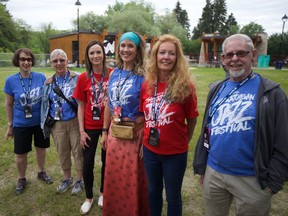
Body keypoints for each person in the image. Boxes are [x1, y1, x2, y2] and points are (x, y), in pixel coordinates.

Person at [193, 34, 288, 216]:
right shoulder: (216, 89)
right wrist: (204, 166)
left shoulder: (272, 93)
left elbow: (283, 142)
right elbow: (208, 128)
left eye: (241, 53)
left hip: (252, 179)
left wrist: (272, 183)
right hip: (214, 174)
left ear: (252, 55)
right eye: (229, 54)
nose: (235, 58)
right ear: (223, 59)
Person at [140, 34, 199, 216]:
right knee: (153, 192)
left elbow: (192, 119)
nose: (166, 57)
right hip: (150, 150)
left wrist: (183, 142)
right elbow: (145, 115)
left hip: (175, 154)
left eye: (171, 53)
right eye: (162, 52)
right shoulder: (147, 84)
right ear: (155, 56)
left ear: (177, 58)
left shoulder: (186, 86)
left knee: (173, 196)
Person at [100, 31, 149, 216]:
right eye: (123, 45)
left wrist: (145, 136)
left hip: (135, 135)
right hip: (115, 134)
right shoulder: (114, 74)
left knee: (132, 178)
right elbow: (108, 104)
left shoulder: (144, 76)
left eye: (130, 46)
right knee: (115, 178)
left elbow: (150, 110)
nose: (125, 50)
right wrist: (105, 132)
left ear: (137, 50)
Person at [3, 48, 53, 194]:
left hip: (39, 122)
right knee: (20, 153)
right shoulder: (10, 81)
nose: (26, 62)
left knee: (41, 148)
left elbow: (48, 92)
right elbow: (8, 104)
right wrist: (10, 125)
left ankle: (41, 171)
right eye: (23, 59)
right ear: (17, 62)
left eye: (29, 59)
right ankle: (22, 178)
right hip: (21, 123)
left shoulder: (40, 77)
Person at [73, 41, 112, 214]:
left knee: (107, 162)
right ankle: (89, 197)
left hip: (109, 127)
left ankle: (103, 192)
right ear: (88, 57)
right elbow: (80, 106)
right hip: (89, 127)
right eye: (91, 53)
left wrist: (106, 130)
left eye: (98, 52)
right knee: (87, 163)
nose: (95, 56)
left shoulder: (113, 74)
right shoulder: (83, 78)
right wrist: (81, 131)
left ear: (103, 54)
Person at [41, 49, 83, 195]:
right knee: (63, 152)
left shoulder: (77, 78)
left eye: (62, 60)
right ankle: (67, 179)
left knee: (78, 151)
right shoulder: (48, 82)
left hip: (75, 121)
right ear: (51, 63)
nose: (59, 63)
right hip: (57, 123)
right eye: (55, 61)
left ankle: (79, 180)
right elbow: (45, 105)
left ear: (67, 61)